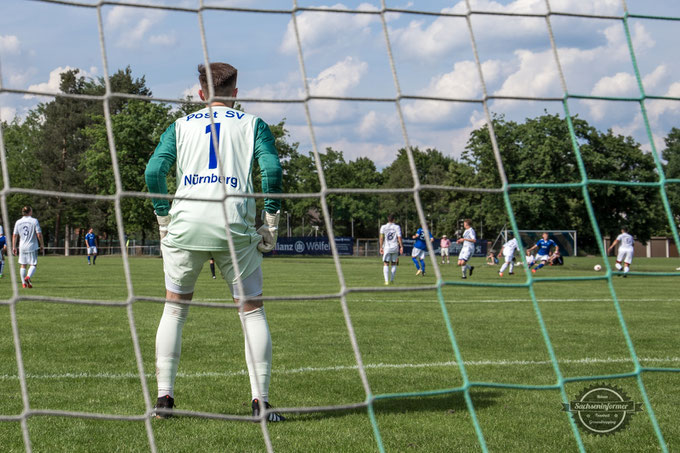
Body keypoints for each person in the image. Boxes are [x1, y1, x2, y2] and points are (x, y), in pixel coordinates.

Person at [145, 62, 284, 421]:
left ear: (201, 93)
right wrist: (271, 222)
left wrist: (163, 219)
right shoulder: (253, 124)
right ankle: (261, 403)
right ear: (236, 95)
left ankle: (164, 401)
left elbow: (153, 172)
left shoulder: (179, 126)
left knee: (174, 309)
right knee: (251, 310)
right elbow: (270, 171)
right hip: (233, 225)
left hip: (186, 223)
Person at [12, 206, 44, 288]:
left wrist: (14, 247)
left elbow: (14, 235)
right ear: (30, 212)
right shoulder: (34, 221)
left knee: (23, 264)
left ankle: (23, 283)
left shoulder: (18, 222)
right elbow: (39, 234)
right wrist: (41, 244)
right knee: (33, 264)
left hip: (22, 246)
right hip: (32, 246)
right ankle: (28, 277)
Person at [379, 214, 403, 285]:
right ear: (394, 219)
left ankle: (386, 281)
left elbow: (381, 238)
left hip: (387, 247)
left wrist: (380, 247)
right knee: (393, 263)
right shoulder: (397, 227)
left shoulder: (383, 227)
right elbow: (399, 237)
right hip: (395, 247)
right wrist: (401, 246)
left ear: (388, 219)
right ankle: (392, 280)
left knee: (386, 263)